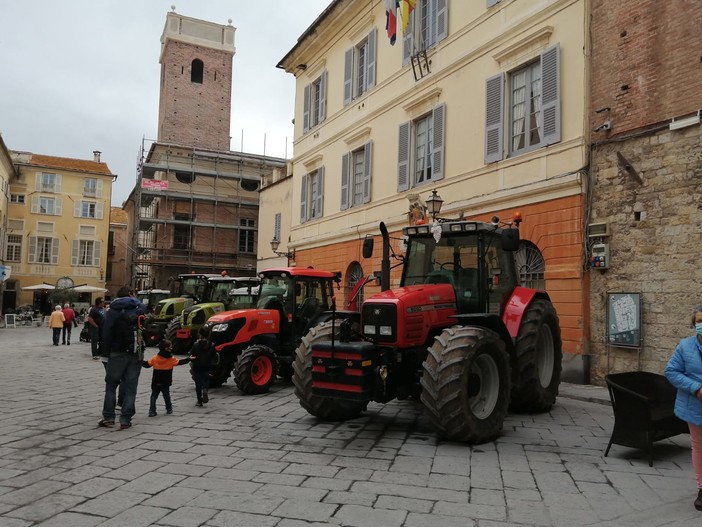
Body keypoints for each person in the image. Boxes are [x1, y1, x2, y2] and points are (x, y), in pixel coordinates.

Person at [665, 304, 702, 512]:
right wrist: (696, 388)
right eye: (699, 321)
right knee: (699, 448)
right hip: (695, 407)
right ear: (693, 324)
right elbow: (671, 371)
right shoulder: (685, 346)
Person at [98, 287, 146, 430]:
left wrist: (105, 352)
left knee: (111, 385)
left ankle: (108, 417)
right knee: (131, 387)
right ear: (131, 295)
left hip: (117, 351)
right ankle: (125, 419)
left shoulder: (112, 311)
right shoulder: (140, 308)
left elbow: (106, 332)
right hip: (136, 351)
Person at [142, 339, 190, 417]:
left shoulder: (155, 358)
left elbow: (147, 365)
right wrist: (189, 359)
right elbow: (180, 362)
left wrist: (140, 361)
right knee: (166, 396)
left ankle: (152, 411)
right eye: (170, 347)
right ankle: (169, 408)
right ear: (166, 348)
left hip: (156, 381)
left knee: (153, 396)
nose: (171, 348)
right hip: (166, 381)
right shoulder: (171, 359)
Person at [189, 325, 217, 407]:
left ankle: (199, 401)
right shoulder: (212, 345)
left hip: (197, 366)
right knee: (206, 379)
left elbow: (192, 354)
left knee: (198, 383)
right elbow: (214, 356)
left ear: (199, 334)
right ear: (208, 334)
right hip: (207, 365)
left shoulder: (195, 344)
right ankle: (205, 389)